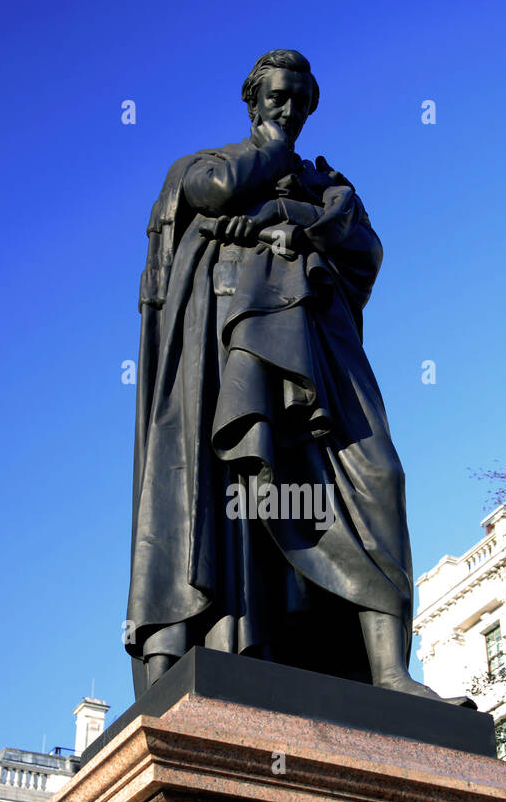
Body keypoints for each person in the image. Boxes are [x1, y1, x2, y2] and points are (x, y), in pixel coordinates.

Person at [126, 49, 444, 699]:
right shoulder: (207, 163)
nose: (290, 109)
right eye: (278, 97)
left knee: (378, 475)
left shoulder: (329, 186)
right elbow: (210, 194)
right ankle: (246, 644)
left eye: (301, 99)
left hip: (320, 348)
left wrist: (287, 216)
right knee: (242, 493)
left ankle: (388, 672)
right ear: (253, 100)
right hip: (229, 351)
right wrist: (271, 156)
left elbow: (366, 250)